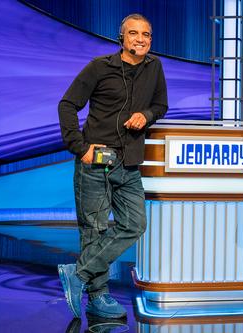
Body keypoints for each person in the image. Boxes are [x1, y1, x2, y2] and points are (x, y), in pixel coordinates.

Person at [56, 13, 168, 319]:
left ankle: (76, 273)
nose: (141, 39)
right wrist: (80, 148)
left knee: (135, 223)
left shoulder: (155, 67)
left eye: (146, 34)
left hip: (129, 162)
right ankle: (98, 297)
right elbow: (67, 105)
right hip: (96, 161)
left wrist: (147, 115)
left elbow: (161, 105)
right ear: (122, 38)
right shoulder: (99, 67)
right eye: (134, 34)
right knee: (94, 230)